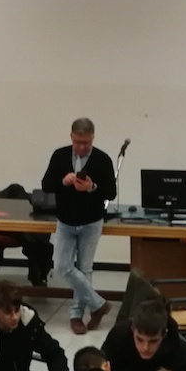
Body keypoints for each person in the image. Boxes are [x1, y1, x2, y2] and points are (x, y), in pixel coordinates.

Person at [42, 116, 117, 334]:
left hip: (91, 221)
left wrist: (92, 187)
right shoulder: (60, 155)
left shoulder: (103, 159)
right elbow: (46, 185)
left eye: (86, 143)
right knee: (61, 265)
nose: (81, 147)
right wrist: (63, 181)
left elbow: (111, 192)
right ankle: (98, 304)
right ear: (71, 137)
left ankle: (76, 316)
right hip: (65, 220)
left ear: (93, 138)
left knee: (85, 269)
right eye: (77, 142)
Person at [100, 296, 186, 371]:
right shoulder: (118, 336)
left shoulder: (182, 352)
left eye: (153, 341)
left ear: (164, 335)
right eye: (139, 339)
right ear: (132, 330)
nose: (145, 347)